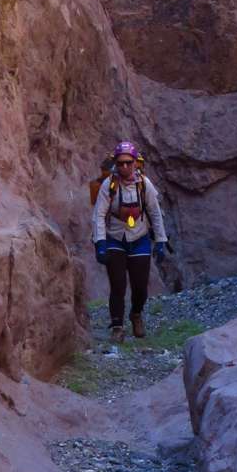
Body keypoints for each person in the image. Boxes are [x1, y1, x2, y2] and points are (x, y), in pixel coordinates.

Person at [92, 141, 169, 339]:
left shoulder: (144, 184)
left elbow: (155, 212)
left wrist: (160, 241)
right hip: (115, 238)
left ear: (135, 162)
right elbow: (99, 214)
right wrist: (100, 242)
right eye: (120, 163)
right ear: (115, 164)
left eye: (128, 162)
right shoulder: (109, 185)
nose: (124, 166)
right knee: (117, 284)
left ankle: (136, 314)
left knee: (140, 286)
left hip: (140, 238)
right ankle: (117, 326)